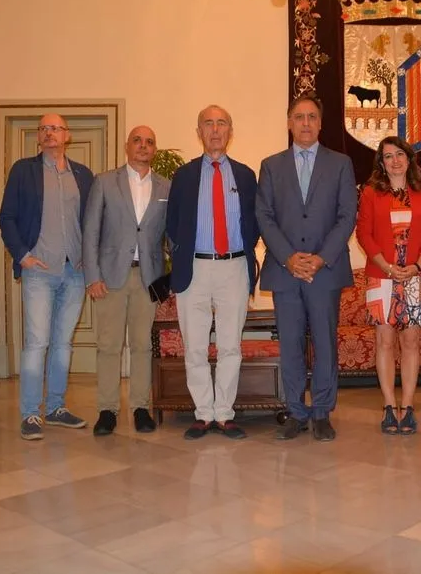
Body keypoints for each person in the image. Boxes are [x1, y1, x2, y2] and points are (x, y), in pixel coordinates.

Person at [257, 95, 358, 442]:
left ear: (320, 123)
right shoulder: (271, 165)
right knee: (290, 344)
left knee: (326, 344)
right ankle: (297, 412)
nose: (305, 123)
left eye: (311, 117)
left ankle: (322, 412)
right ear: (289, 123)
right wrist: (289, 257)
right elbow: (264, 216)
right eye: (298, 117)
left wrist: (319, 257)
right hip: (285, 271)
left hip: (324, 270)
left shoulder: (341, 163)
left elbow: (347, 215)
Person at [0, 113, 94, 440]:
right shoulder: (24, 170)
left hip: (75, 272)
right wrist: (22, 255)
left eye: (55, 128)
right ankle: (30, 414)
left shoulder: (83, 174)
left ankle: (55, 408)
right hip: (39, 271)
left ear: (67, 135)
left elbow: (93, 222)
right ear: (39, 137)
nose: (49, 133)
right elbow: (6, 216)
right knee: (37, 342)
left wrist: (89, 259)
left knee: (63, 343)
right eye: (44, 128)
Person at [166, 105, 259, 440]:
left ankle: (224, 414)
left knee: (231, 346)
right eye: (209, 123)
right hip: (194, 268)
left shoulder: (246, 176)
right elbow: (172, 224)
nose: (215, 129)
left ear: (230, 132)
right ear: (199, 132)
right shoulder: (184, 175)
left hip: (234, 267)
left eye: (222, 123)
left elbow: (255, 223)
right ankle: (203, 413)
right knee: (195, 347)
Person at [82, 125, 170, 436]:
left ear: (154, 149)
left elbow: (171, 237)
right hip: (110, 277)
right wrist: (92, 276)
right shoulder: (105, 182)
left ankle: (140, 408)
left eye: (149, 141)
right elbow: (90, 232)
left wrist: (175, 279)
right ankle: (107, 410)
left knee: (142, 346)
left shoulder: (165, 187)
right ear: (126, 146)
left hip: (148, 278)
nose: (143, 146)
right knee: (108, 346)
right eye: (137, 140)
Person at [355, 136, 421, 435]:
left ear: (409, 159)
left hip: (416, 276)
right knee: (385, 342)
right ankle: (390, 407)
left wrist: (416, 266)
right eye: (388, 156)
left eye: (399, 154)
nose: (395, 161)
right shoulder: (370, 193)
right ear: (382, 163)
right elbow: (364, 234)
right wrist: (388, 267)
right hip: (381, 275)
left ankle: (409, 407)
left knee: (411, 342)